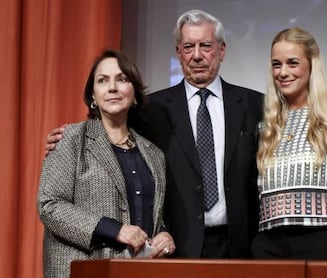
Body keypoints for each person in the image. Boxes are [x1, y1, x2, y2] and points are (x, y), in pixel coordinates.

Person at [45, 9, 263, 259]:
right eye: (188, 46)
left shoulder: (254, 105)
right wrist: (68, 136)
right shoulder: (151, 110)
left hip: (242, 246)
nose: (197, 55)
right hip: (176, 247)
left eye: (206, 46)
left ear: (222, 50)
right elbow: (111, 132)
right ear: (178, 53)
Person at [38, 50, 175, 278]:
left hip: (139, 272)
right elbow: (49, 205)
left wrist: (164, 234)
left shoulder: (154, 155)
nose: (112, 87)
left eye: (122, 79)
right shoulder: (70, 138)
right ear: (93, 94)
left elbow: (153, 214)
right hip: (82, 270)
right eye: (102, 80)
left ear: (135, 95)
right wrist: (116, 230)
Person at [251, 27, 327, 261]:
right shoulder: (266, 125)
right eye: (277, 64)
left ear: (312, 65)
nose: (283, 72)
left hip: (322, 241)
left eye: (292, 63)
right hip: (269, 245)